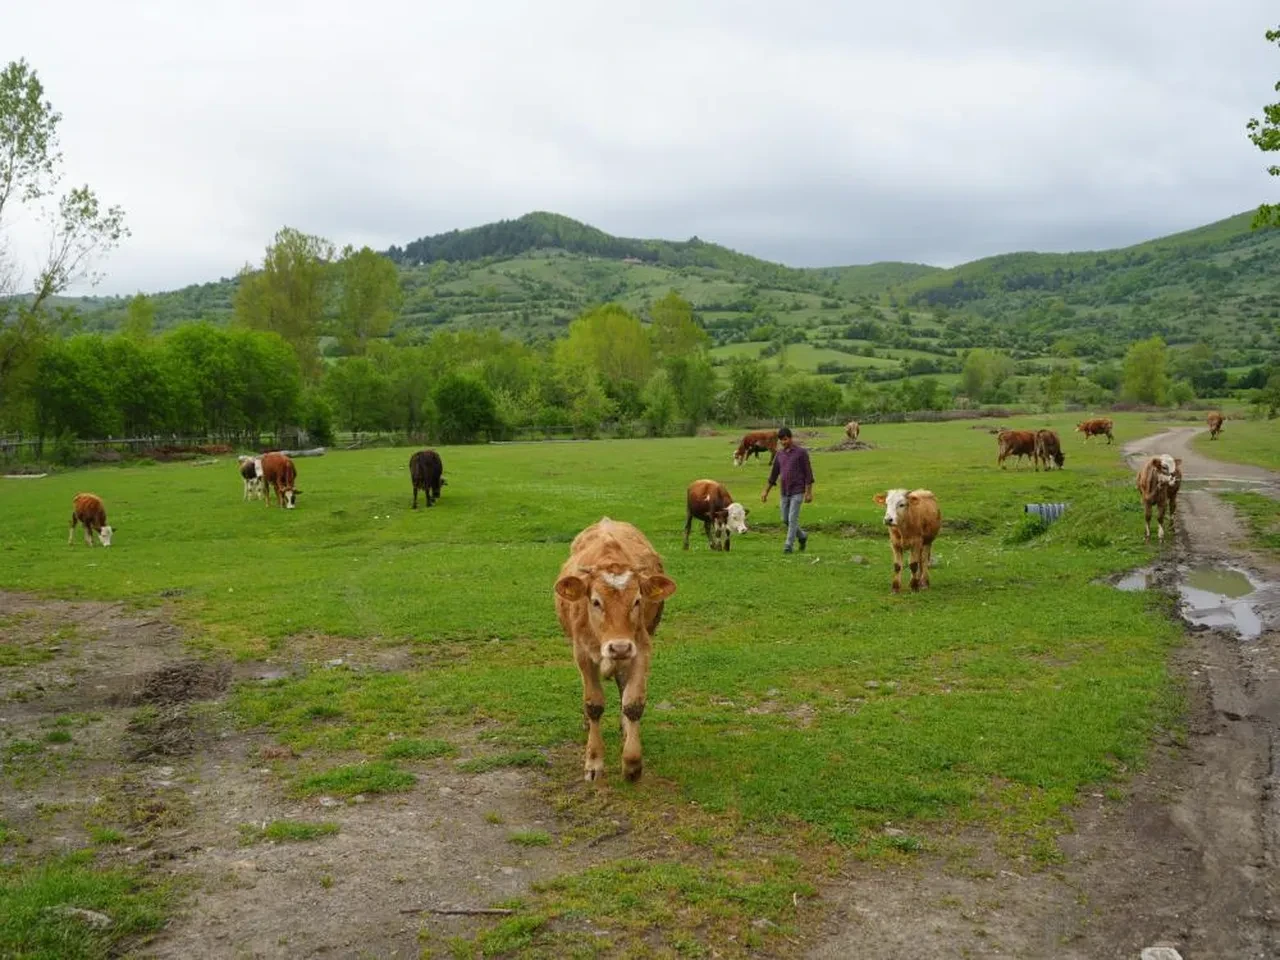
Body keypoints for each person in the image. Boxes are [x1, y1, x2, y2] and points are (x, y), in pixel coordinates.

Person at [760, 426, 814, 554]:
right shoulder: (779, 454)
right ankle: (802, 536)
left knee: (792, 518)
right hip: (784, 492)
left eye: (785, 439)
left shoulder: (801, 453)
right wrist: (765, 491)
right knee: (785, 518)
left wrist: (809, 492)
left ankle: (788, 545)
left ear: (790, 438)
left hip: (798, 490)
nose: (784, 442)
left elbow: (808, 473)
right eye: (781, 440)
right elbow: (774, 475)